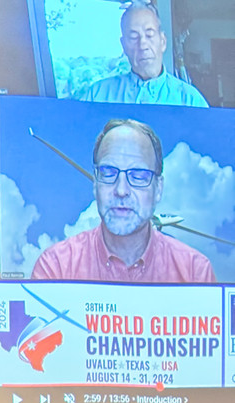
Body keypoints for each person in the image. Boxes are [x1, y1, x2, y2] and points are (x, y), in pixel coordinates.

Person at [31, 118, 216, 283]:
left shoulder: (195, 272)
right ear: (95, 184)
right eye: (108, 173)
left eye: (139, 175)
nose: (121, 191)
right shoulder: (55, 268)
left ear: (158, 189)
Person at [78, 1, 208, 107]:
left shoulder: (190, 100)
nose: (143, 45)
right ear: (124, 45)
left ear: (163, 41)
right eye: (134, 37)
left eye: (149, 35)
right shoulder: (98, 95)